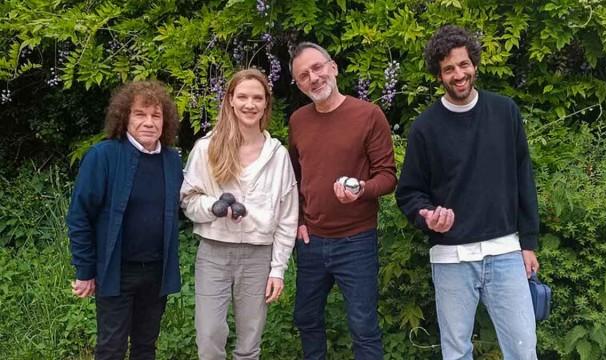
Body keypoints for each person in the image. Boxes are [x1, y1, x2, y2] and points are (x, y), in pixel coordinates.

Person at [395, 25, 540, 360]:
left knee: (523, 348)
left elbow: (523, 177)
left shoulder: (505, 112)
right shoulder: (425, 128)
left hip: (505, 252)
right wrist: (428, 218)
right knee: (456, 352)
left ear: (474, 64)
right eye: (448, 69)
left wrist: (528, 242)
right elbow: (409, 193)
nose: (458, 74)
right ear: (439, 75)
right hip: (451, 258)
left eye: (463, 65)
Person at [288, 42, 397, 360]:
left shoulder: (368, 115)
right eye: (304, 75)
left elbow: (388, 177)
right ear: (298, 84)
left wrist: (361, 189)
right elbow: (294, 177)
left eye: (317, 68)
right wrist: (299, 221)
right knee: (306, 318)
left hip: (356, 240)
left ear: (333, 67)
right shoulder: (298, 121)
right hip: (311, 241)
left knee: (363, 327)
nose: (314, 78)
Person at [180, 68, 298, 360]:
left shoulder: (278, 155)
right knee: (209, 337)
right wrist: (213, 207)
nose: (250, 104)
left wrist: (278, 269)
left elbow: (287, 217)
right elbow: (188, 201)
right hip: (214, 252)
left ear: (266, 104)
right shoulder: (207, 148)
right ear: (230, 99)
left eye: (257, 98)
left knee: (249, 343)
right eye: (242, 96)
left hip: (258, 255)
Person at [67, 80, 183, 359]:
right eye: (140, 114)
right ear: (125, 117)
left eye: (156, 115)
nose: (149, 122)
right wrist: (85, 270)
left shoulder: (171, 160)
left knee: (146, 346)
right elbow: (80, 216)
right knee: (111, 347)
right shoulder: (103, 156)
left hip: (156, 271)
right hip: (116, 270)